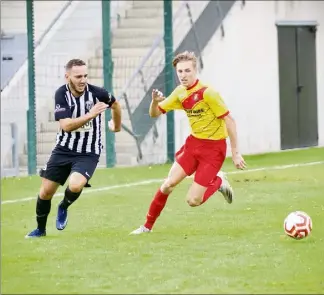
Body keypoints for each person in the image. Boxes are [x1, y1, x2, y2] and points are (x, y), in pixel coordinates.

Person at [130, 51, 246, 235]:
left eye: (187, 71)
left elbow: (230, 121)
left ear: (195, 70)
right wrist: (153, 102)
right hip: (193, 145)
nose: (183, 75)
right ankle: (146, 227)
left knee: (193, 201)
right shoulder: (180, 93)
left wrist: (235, 152)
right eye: (180, 72)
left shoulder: (209, 93)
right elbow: (154, 113)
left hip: (213, 150)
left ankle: (218, 182)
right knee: (168, 184)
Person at [25, 58, 122, 238]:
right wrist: (91, 114)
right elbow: (66, 126)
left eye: (85, 75)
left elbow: (116, 104)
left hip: (89, 151)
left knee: (76, 185)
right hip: (64, 149)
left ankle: (64, 206)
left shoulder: (97, 93)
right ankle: (40, 229)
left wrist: (116, 126)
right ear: (67, 77)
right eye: (78, 76)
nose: (83, 80)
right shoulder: (61, 94)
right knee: (45, 192)